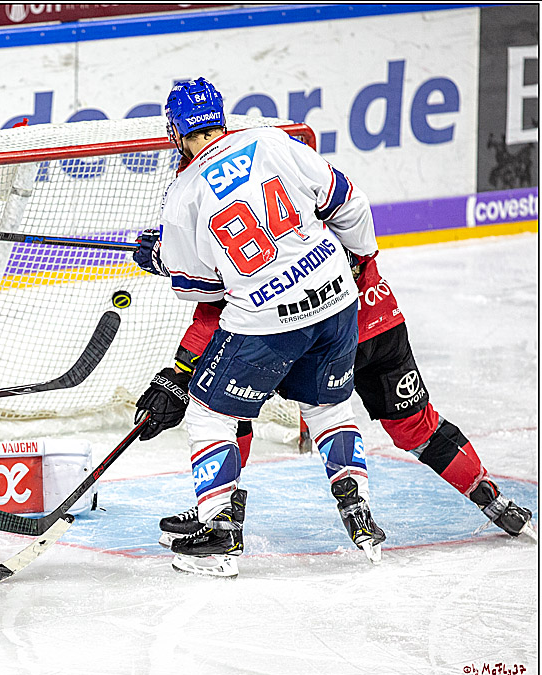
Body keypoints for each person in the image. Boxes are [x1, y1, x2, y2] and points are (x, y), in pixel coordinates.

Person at [132, 77, 382, 577]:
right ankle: (358, 509)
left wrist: (161, 260)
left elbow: (201, 291)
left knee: (207, 414)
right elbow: (347, 200)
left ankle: (220, 535)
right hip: (337, 299)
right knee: (327, 403)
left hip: (266, 321)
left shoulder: (184, 193)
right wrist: (362, 258)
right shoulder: (269, 140)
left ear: (176, 131)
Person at [145, 258, 536, 544]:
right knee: (417, 428)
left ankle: (217, 513)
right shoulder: (320, 195)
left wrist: (183, 367)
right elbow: (363, 240)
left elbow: (219, 303)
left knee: (229, 407)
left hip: (318, 329)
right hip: (381, 318)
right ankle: (493, 500)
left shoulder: (249, 206)